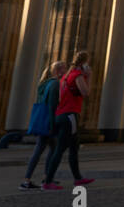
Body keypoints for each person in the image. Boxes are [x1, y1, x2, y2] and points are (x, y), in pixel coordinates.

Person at [43, 52, 95, 189]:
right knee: (61, 149)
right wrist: (88, 77)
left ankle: (78, 178)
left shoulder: (65, 77)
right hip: (70, 115)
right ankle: (48, 181)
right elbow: (85, 92)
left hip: (62, 114)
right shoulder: (77, 76)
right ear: (83, 64)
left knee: (73, 147)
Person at [20, 61, 65, 190]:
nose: (66, 71)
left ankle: (45, 178)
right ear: (58, 71)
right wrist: (53, 124)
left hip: (41, 120)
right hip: (48, 121)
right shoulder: (55, 84)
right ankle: (28, 180)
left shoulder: (44, 84)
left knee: (51, 148)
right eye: (64, 69)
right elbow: (52, 106)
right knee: (42, 149)